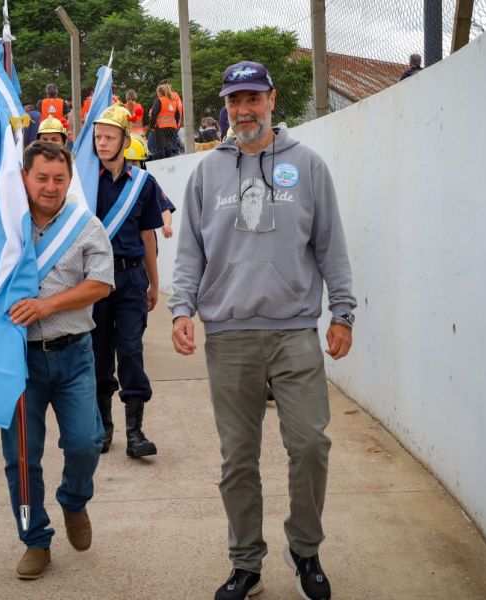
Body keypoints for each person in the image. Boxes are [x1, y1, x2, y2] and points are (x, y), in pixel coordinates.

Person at [168, 61, 357, 600]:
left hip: (295, 331)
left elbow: (331, 247)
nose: (244, 110)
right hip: (229, 335)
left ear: (272, 100)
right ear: (225, 106)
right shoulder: (206, 174)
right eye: (234, 101)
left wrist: (342, 312)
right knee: (238, 457)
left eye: (253, 98)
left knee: (311, 444)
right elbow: (189, 254)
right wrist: (181, 310)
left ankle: (305, 548)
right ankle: (245, 562)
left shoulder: (309, 166)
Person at [0, 141, 113, 580]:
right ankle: (35, 540)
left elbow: (101, 284)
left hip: (74, 354)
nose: (50, 187)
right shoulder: (6, 226)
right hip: (19, 361)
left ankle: (73, 500)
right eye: (41, 178)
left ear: (69, 180)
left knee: (86, 441)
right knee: (22, 459)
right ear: (25, 177)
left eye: (59, 179)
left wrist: (47, 307)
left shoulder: (86, 225)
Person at [89, 105, 164, 457]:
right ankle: (103, 428)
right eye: (98, 137)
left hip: (133, 276)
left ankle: (135, 432)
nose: (102, 143)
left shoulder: (143, 185)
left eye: (109, 137)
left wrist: (154, 281)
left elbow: (149, 233)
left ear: (124, 140)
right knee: (99, 352)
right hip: (96, 278)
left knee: (131, 350)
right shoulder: (85, 180)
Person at [124, 134, 175, 239]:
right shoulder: (110, 183)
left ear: (142, 164)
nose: (130, 167)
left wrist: (167, 225)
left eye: (134, 162)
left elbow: (164, 208)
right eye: (126, 162)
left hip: (145, 240)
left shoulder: (147, 183)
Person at [147, 83, 181, 160]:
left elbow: (154, 113)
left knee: (160, 149)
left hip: (161, 128)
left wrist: (152, 126)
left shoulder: (159, 100)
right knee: (169, 148)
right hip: (172, 128)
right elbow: (177, 115)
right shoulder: (173, 101)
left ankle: (161, 166)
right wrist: (174, 123)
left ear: (160, 92)